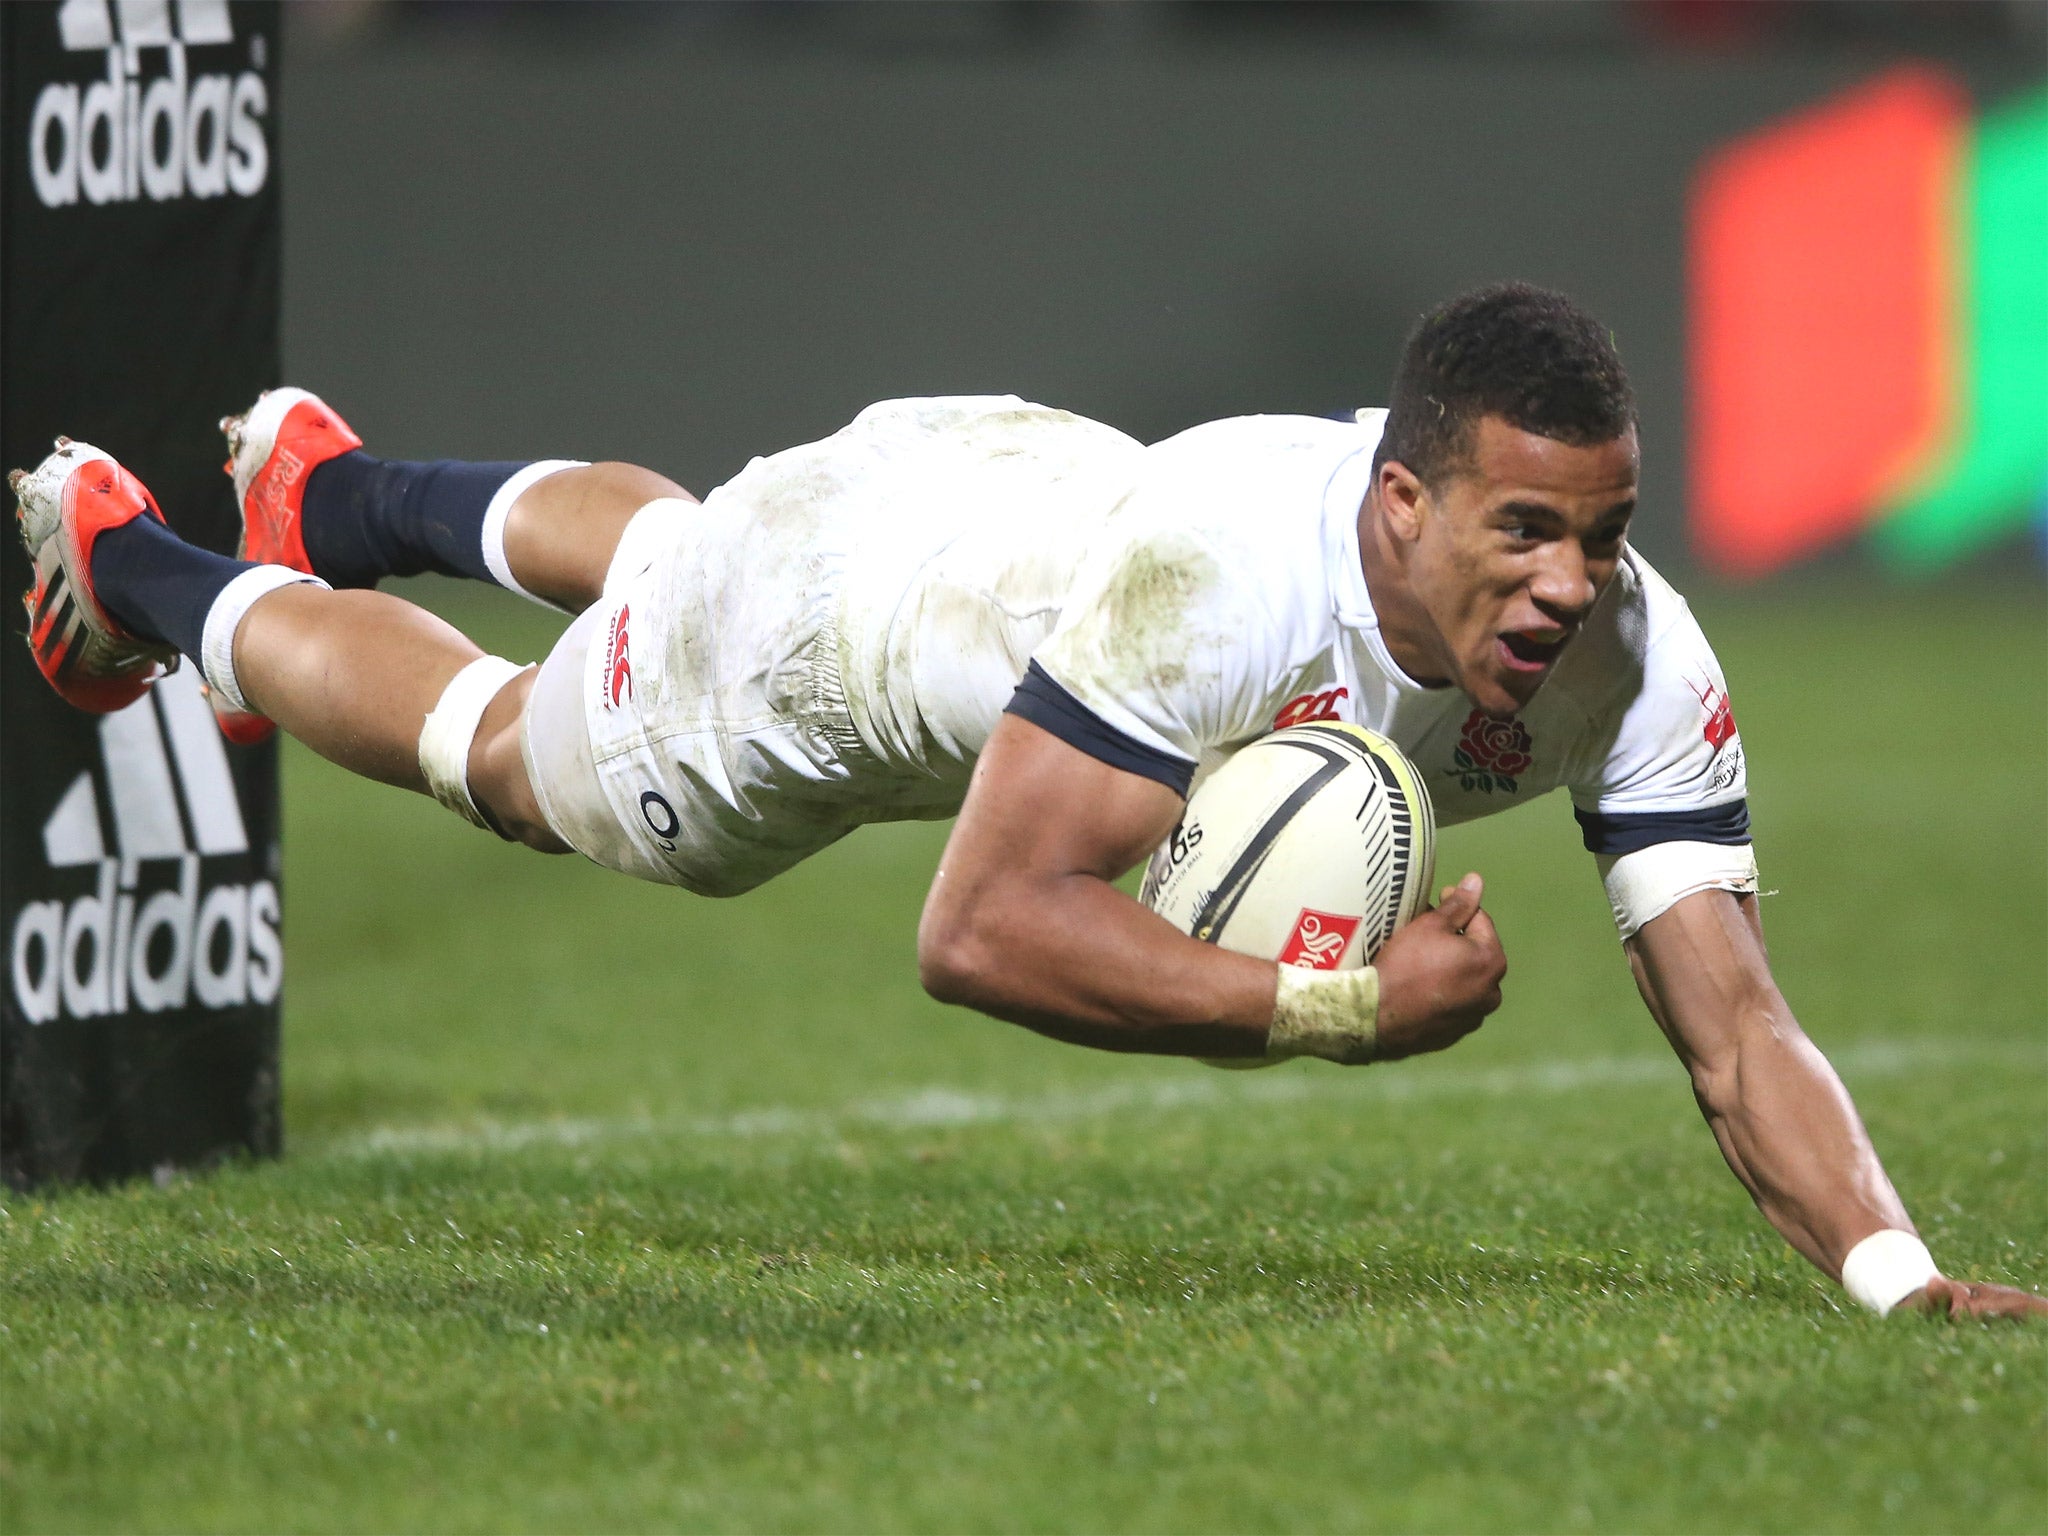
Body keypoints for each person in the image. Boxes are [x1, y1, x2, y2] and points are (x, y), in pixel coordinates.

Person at [15, 284, 2040, 1320]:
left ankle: (342, 496)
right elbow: (977, 930)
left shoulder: (1636, 660)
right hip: (842, 648)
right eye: (1521, 535)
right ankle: (137, 574)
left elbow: (1737, 1024)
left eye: (1599, 539)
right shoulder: (1231, 583)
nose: (1566, 588)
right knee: (522, 762)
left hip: (984, 499)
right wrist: (1334, 1008)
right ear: (1398, 500)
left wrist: (1893, 1273)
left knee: (685, 554)